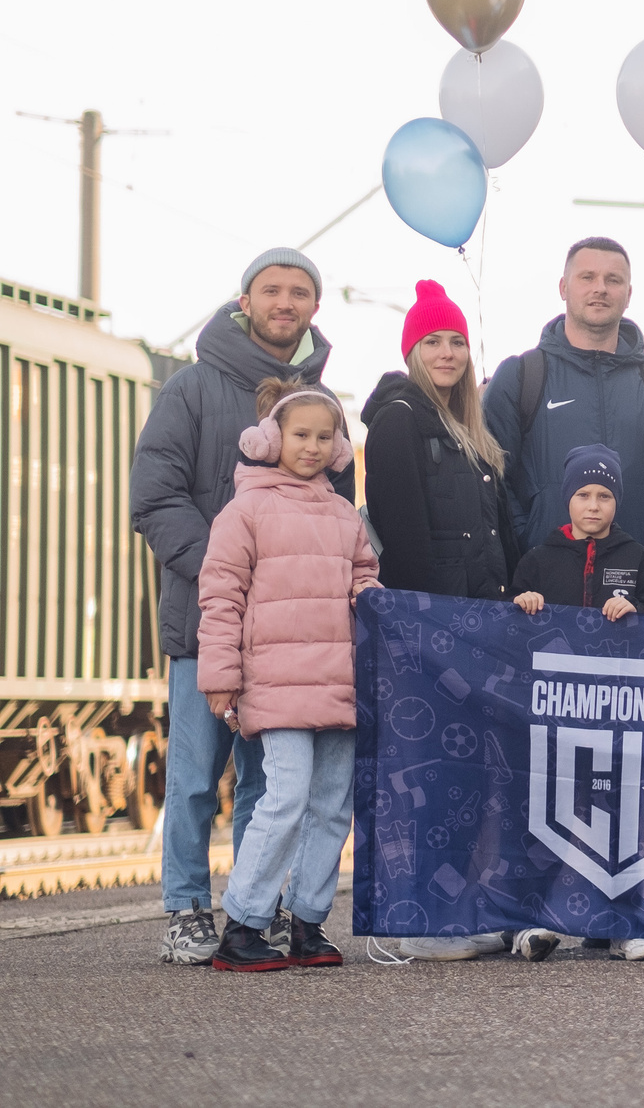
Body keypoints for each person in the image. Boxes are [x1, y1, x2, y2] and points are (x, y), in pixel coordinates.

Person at [134, 246, 348, 967]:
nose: (285, 302)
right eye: (272, 289)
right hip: (207, 622)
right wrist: (233, 574)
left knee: (268, 782)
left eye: (299, 292)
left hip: (291, 642)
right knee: (196, 777)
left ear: (314, 308)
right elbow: (154, 497)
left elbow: (340, 523)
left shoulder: (321, 406)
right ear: (246, 299)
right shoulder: (191, 388)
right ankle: (186, 905)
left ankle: (246, 912)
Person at [194, 380, 374, 971]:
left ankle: (308, 923)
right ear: (271, 439)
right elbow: (220, 596)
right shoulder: (244, 510)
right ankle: (243, 924)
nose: (314, 446)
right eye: (301, 434)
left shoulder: (345, 515)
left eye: (326, 437)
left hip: (339, 683)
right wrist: (221, 677)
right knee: (286, 798)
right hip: (274, 684)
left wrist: (378, 605)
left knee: (331, 805)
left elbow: (364, 585)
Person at [485, 237, 644, 562]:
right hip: (542, 585)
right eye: (587, 277)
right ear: (564, 287)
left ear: (628, 295)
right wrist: (528, 541)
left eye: (613, 280)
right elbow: (492, 474)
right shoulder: (522, 374)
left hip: (632, 583)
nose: (600, 288)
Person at [359, 280, 511, 599]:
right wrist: (427, 622)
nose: (447, 354)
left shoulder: (471, 430)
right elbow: (403, 543)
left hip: (484, 613)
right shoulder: (398, 419)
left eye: (457, 342)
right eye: (432, 342)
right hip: (437, 622)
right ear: (413, 352)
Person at [510, 447, 644, 621]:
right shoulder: (537, 560)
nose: (593, 506)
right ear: (568, 499)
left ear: (617, 501)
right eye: (583, 495)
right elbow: (508, 622)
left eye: (604, 496)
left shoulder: (639, 558)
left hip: (618, 648)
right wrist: (520, 603)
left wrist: (637, 610)